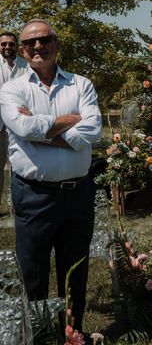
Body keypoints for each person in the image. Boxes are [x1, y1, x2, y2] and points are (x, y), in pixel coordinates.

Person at [0, 19, 102, 332]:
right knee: (33, 275)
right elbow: (21, 127)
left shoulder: (80, 84)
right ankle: (42, 336)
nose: (37, 47)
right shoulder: (12, 88)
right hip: (34, 195)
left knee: (75, 271)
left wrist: (42, 131)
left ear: (56, 44)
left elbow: (93, 128)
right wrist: (70, 123)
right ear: (22, 49)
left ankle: (72, 333)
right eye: (29, 43)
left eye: (43, 40)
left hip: (77, 194)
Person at [0, 31, 28, 213]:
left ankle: (22, 206)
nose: (7, 47)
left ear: (17, 46)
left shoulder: (26, 66)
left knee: (23, 165)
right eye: (3, 44)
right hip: (0, 126)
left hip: (21, 123)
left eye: (11, 44)